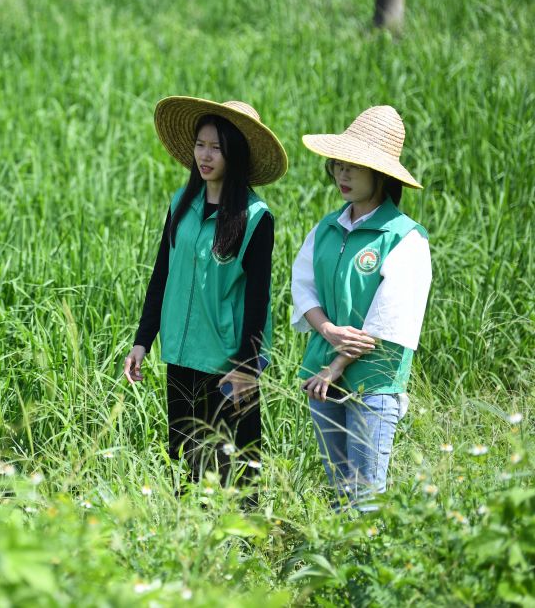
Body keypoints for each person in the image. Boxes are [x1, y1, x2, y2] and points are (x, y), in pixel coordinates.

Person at [124, 97, 288, 490]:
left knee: (235, 466)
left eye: (217, 147)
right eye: (200, 144)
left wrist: (248, 364)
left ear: (236, 154)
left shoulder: (255, 217)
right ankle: (187, 542)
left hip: (227, 362)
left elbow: (257, 299)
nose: (205, 155)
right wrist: (143, 341)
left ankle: (243, 545)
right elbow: (162, 274)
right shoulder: (181, 204)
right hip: (180, 353)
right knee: (184, 459)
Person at [291, 105, 432, 510]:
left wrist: (334, 366)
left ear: (381, 174)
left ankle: (364, 572)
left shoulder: (405, 238)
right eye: (338, 164)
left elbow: (389, 320)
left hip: (372, 382)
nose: (342, 174)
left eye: (354, 166)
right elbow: (304, 288)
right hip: (321, 378)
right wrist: (326, 331)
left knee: (365, 496)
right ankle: (341, 571)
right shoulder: (327, 228)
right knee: (338, 493)